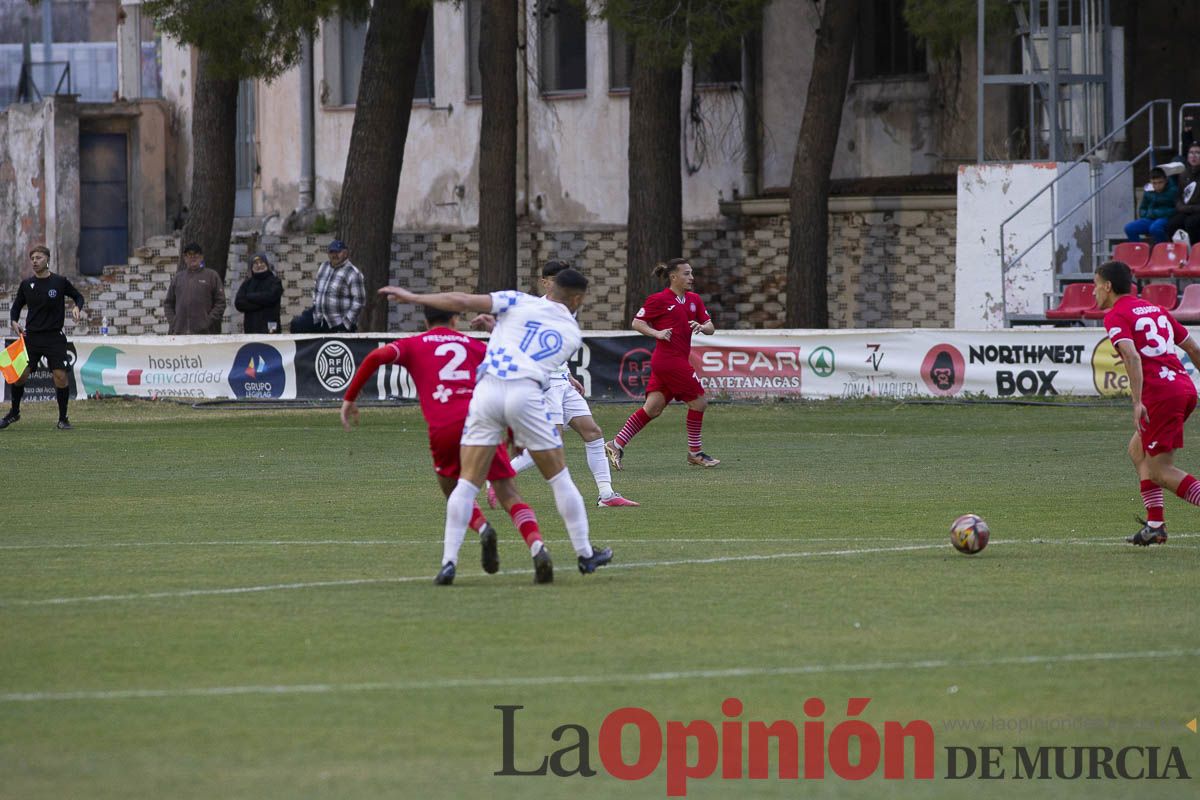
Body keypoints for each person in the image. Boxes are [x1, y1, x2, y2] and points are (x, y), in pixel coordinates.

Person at [378, 269, 614, 584]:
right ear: (578, 299)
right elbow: (529, 351)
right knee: (559, 477)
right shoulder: (571, 332)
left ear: (550, 287)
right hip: (525, 394)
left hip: (487, 392)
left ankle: (449, 563)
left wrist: (413, 297)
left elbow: (461, 300)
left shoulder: (516, 301)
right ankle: (585, 554)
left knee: (466, 483)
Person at [340, 305, 555, 583]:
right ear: (455, 319)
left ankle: (455, 557)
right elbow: (505, 384)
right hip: (483, 422)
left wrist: (350, 398)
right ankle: (537, 546)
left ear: (425, 319)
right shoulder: (476, 346)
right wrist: (513, 433)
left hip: (445, 427)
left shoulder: (413, 344)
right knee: (508, 492)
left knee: (454, 491)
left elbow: (376, 356)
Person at [481, 261, 639, 509]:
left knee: (593, 432)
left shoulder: (568, 308)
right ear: (545, 282)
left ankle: (607, 495)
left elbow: (553, 347)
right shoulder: (536, 307)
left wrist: (569, 374)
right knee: (550, 442)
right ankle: (497, 476)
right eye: (557, 280)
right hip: (544, 383)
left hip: (562, 380)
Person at [1093, 259, 1200, 546]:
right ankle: (1155, 525)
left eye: (1095, 286)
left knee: (1160, 471)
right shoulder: (1157, 310)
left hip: (1160, 396)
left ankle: (1157, 524)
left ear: (1107, 286)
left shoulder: (1116, 315)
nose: (1093, 293)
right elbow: (1191, 347)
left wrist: (1138, 401)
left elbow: (1133, 357)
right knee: (1137, 450)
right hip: (1183, 388)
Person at [606, 258, 720, 470]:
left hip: (673, 361)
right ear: (673, 277)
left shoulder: (694, 299)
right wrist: (657, 332)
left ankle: (616, 444)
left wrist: (703, 328)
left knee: (653, 408)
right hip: (669, 361)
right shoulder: (658, 299)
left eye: (691, 273)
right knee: (699, 402)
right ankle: (695, 452)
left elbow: (710, 326)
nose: (691, 277)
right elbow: (637, 322)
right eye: (686, 273)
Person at [2, 245, 86, 430]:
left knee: (60, 376)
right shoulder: (26, 285)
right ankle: (14, 413)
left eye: (38, 257)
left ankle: (63, 419)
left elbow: (78, 297)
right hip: (32, 337)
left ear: (47, 260)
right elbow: (16, 307)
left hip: (54, 337)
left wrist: (76, 307)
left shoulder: (59, 282)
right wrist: (14, 321)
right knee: (20, 376)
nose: (35, 261)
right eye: (32, 258)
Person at [290, 239, 365, 333]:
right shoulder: (323, 266)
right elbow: (316, 289)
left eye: (338, 252)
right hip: (319, 317)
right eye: (331, 252)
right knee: (297, 324)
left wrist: (346, 323)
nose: (334, 255)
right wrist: (316, 303)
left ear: (345, 253)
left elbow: (359, 301)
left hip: (338, 321)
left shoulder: (353, 273)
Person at [164, 242, 226, 334]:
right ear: (185, 258)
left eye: (196, 254)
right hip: (179, 333)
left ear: (201, 257)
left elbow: (220, 303)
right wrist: (174, 322)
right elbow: (168, 303)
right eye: (189, 254)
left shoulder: (212, 276)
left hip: (204, 334)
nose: (193, 257)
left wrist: (207, 321)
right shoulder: (177, 278)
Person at [1124, 167, 1177, 244]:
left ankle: (1162, 249)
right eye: (1154, 183)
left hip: (1165, 219)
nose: (1157, 186)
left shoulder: (1173, 190)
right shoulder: (1148, 191)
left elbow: (1176, 208)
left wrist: (1157, 213)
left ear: (1166, 180)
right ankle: (1139, 251)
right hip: (1150, 219)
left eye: (1160, 182)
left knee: (1155, 228)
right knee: (1129, 228)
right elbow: (1143, 208)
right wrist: (1145, 215)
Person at [234, 253, 284, 334]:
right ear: (251, 267)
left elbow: (271, 297)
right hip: (251, 328)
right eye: (256, 263)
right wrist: (264, 304)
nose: (259, 265)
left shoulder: (275, 281)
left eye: (261, 262)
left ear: (267, 264)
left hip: (271, 327)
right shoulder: (247, 283)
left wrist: (250, 297)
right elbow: (239, 303)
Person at [1165, 143, 1200, 247]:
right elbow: (1179, 196)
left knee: (1191, 223)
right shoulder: (1184, 174)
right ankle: (1178, 253)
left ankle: (1196, 253)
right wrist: (1181, 207)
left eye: (1198, 153)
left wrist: (1191, 208)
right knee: (1172, 224)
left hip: (1197, 210)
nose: (1194, 156)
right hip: (1186, 210)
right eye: (1191, 153)